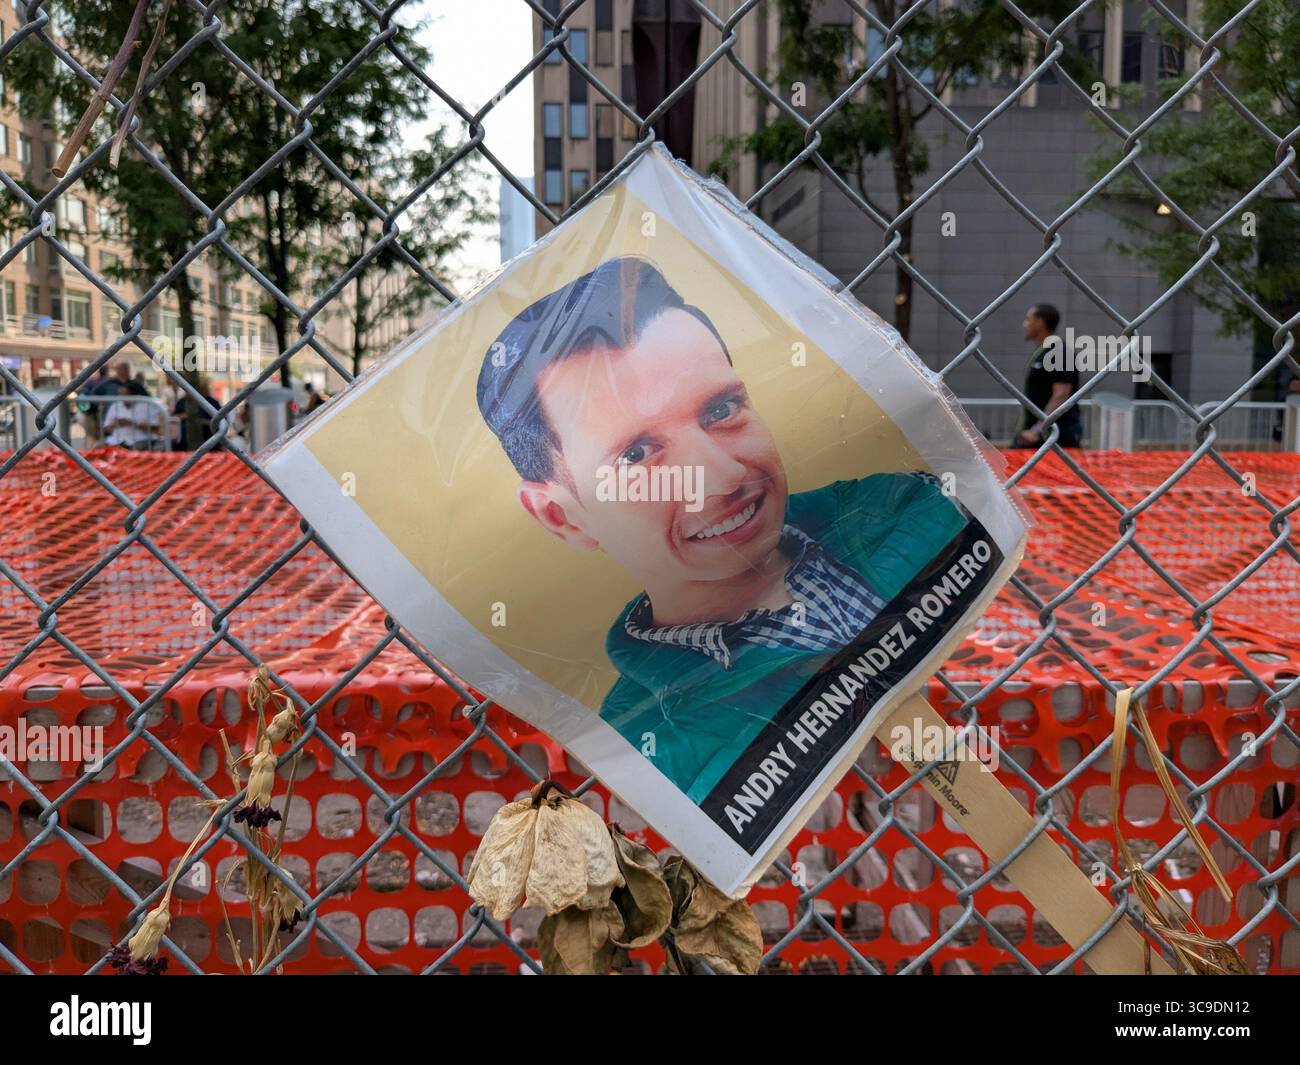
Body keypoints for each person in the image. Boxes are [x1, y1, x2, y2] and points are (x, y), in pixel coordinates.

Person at [476, 256, 975, 802]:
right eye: (637, 454)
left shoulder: (911, 506)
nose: (724, 475)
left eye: (721, 409)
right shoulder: (645, 739)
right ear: (562, 516)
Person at [1013, 303, 1081, 449]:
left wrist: (1037, 430)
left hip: (1053, 437)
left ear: (1040, 322)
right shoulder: (1043, 351)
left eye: (1028, 319)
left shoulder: (1060, 352)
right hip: (1034, 434)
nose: (1024, 324)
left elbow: (1061, 394)